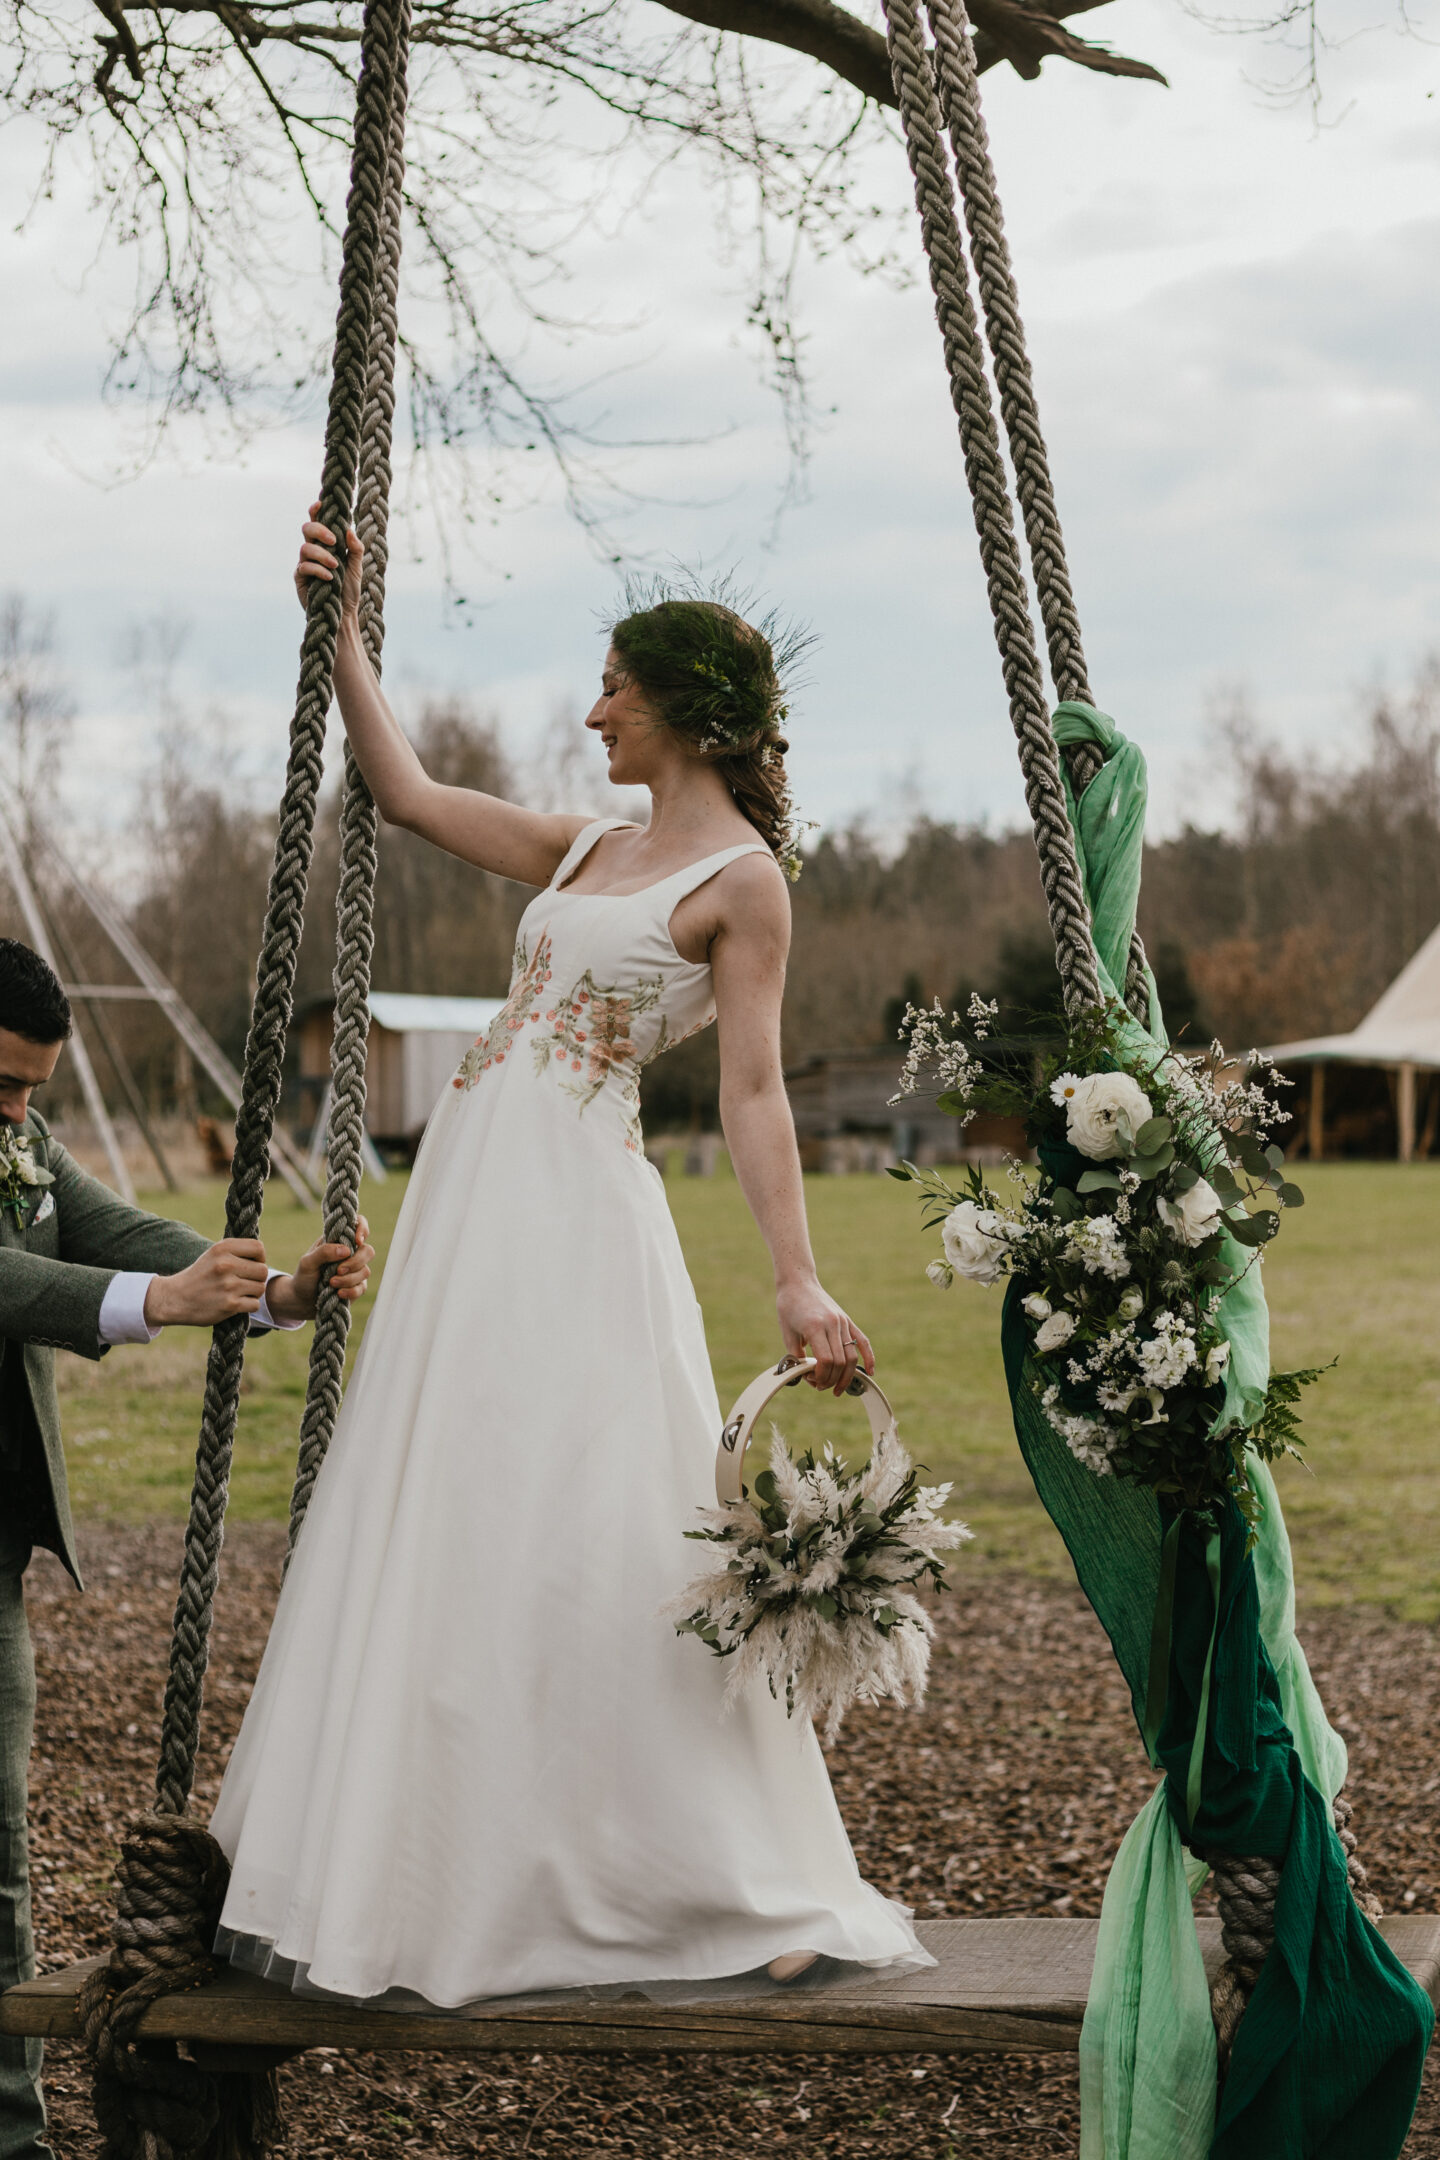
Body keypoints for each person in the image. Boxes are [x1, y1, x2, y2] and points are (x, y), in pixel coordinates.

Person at [208, 511, 931, 2009]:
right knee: (462, 1504)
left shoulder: (743, 883)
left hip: (579, 1213)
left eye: (613, 687)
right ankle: (439, 1866)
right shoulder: (588, 845)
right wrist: (333, 628)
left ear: (676, 708)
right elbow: (404, 794)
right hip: (474, 1194)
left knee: (609, 1522)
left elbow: (751, 1093)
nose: (592, 711)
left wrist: (798, 1280)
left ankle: (731, 1874)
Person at [0, 939, 374, 2160]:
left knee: (1, 1856)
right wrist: (154, 1308)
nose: (18, 1113)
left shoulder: (19, 1139)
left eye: (32, 1094)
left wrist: (263, 1292)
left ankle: (11, 2137)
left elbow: (106, 1225)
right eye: (0, 1086)